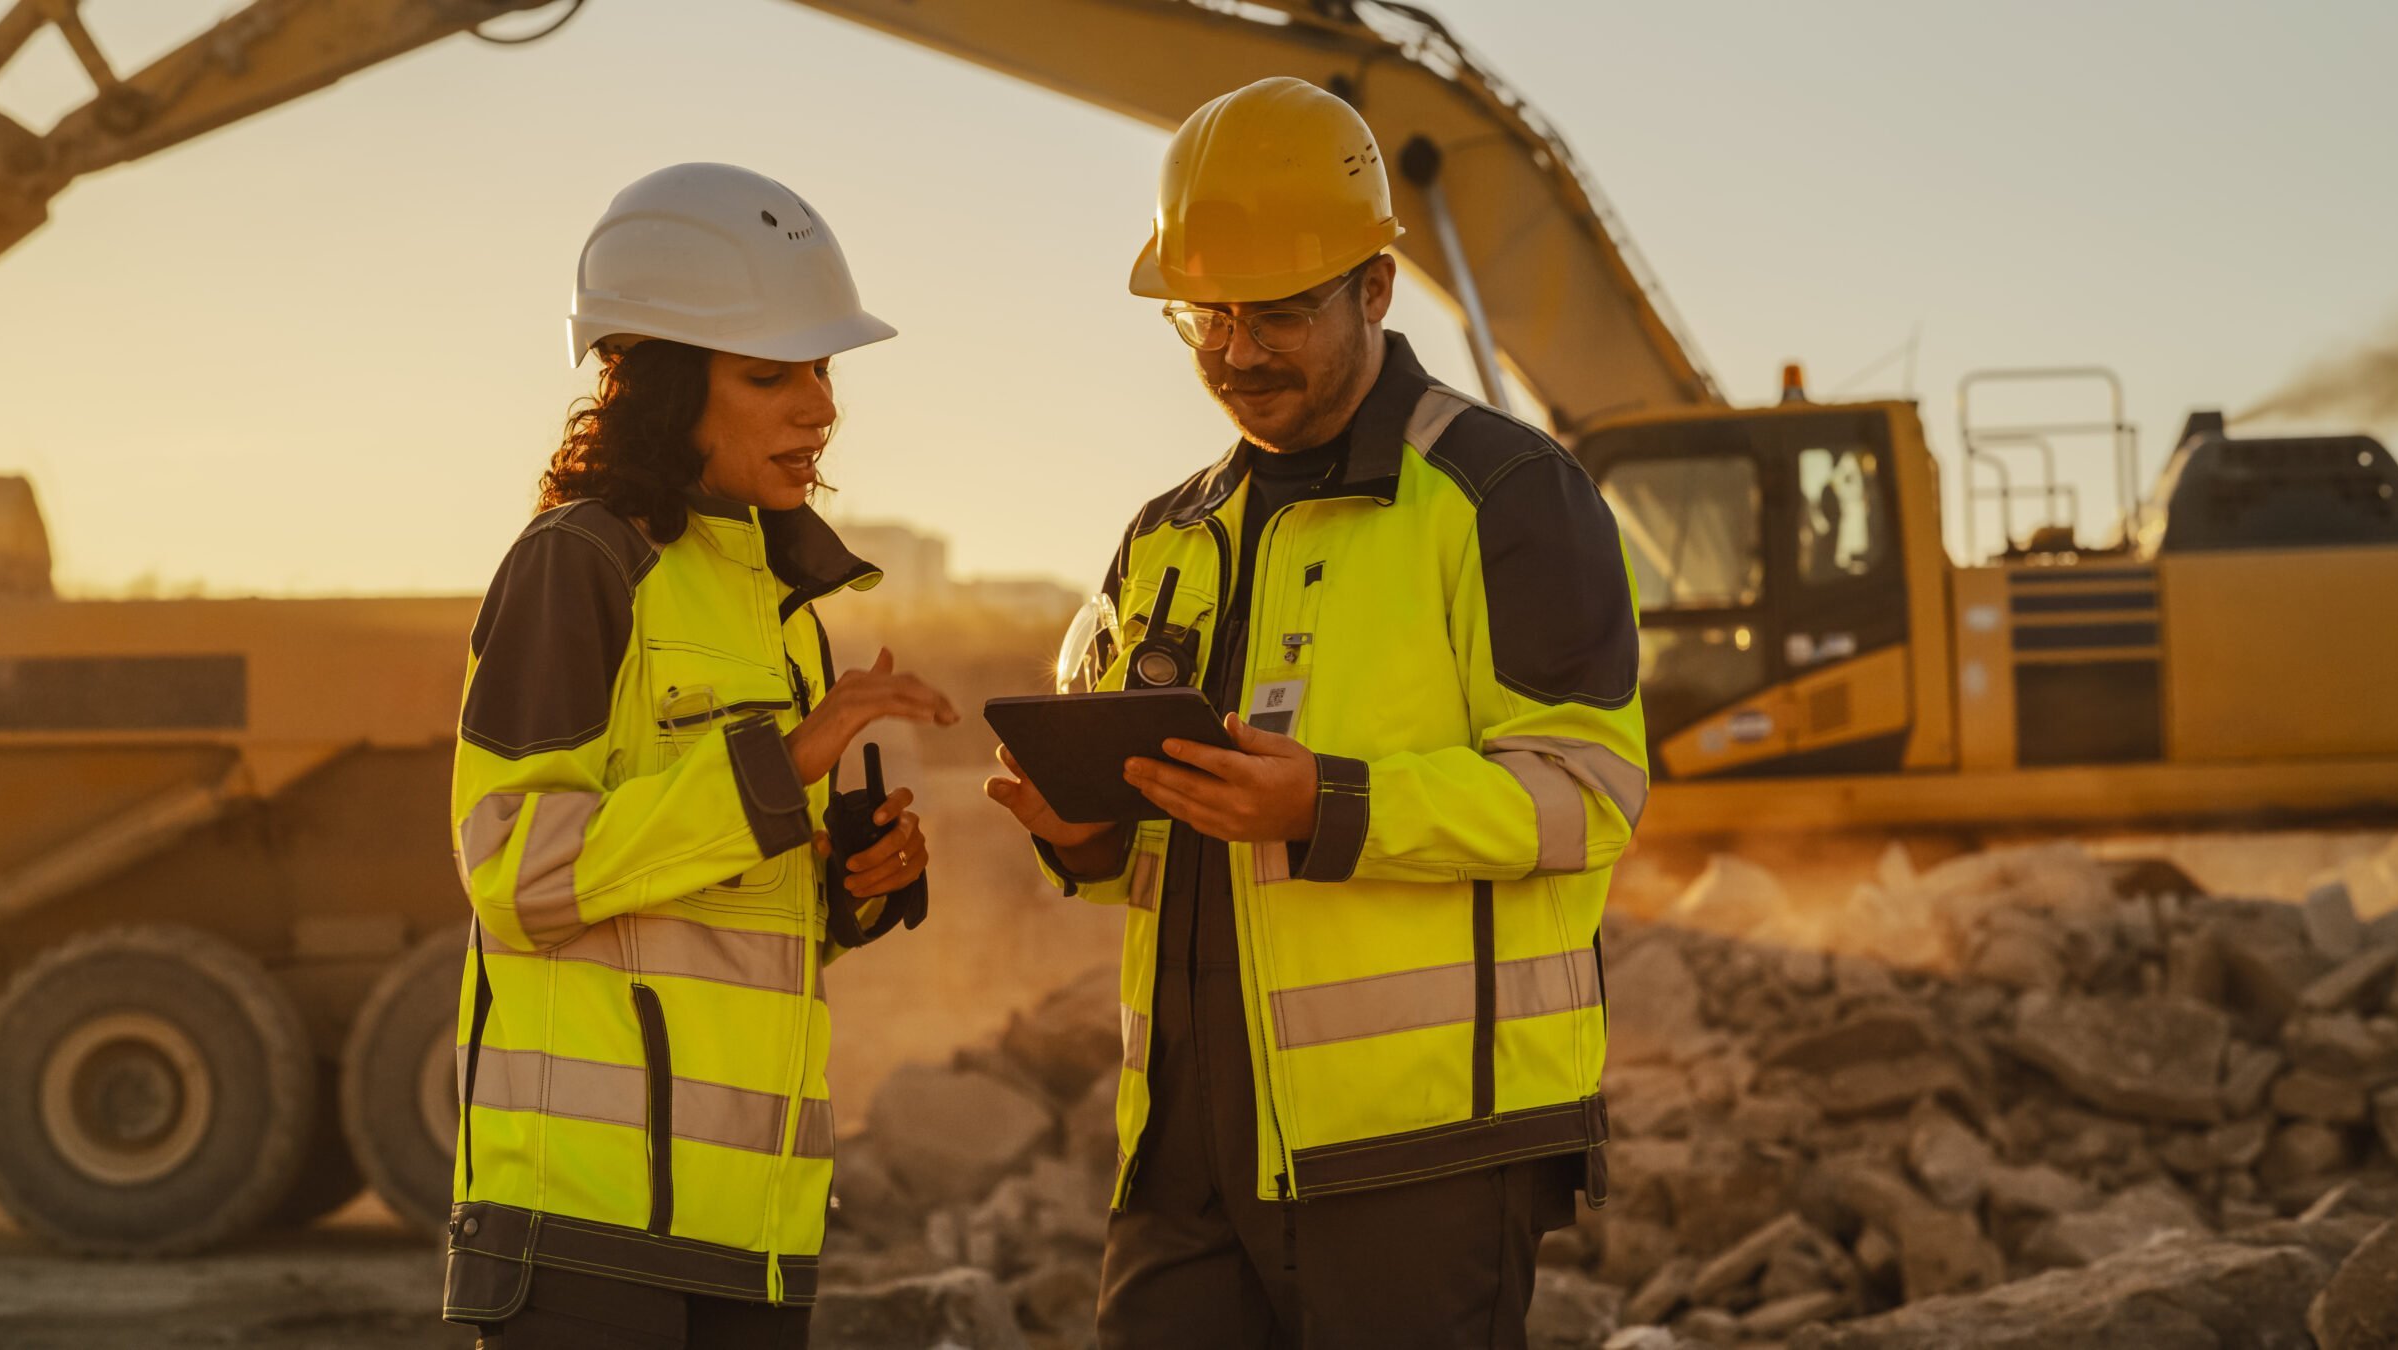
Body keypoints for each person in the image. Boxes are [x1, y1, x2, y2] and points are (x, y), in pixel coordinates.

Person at [984, 78, 1650, 1349]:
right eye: (1205, 318)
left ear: (1375, 290)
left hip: (1422, 1148)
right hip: (1183, 1147)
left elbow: (1589, 791)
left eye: (1277, 314)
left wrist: (1331, 806)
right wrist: (1079, 835)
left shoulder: (1506, 493)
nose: (1234, 354)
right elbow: (1162, 837)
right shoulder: (1164, 535)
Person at [441, 162, 957, 1350]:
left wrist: (845, 886)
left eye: (824, 367)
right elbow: (517, 875)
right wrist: (782, 770)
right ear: (665, 387)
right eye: (770, 373)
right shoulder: (578, 565)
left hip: (755, 1233)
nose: (817, 407)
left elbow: (721, 913)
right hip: (583, 1235)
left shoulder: (782, 610)